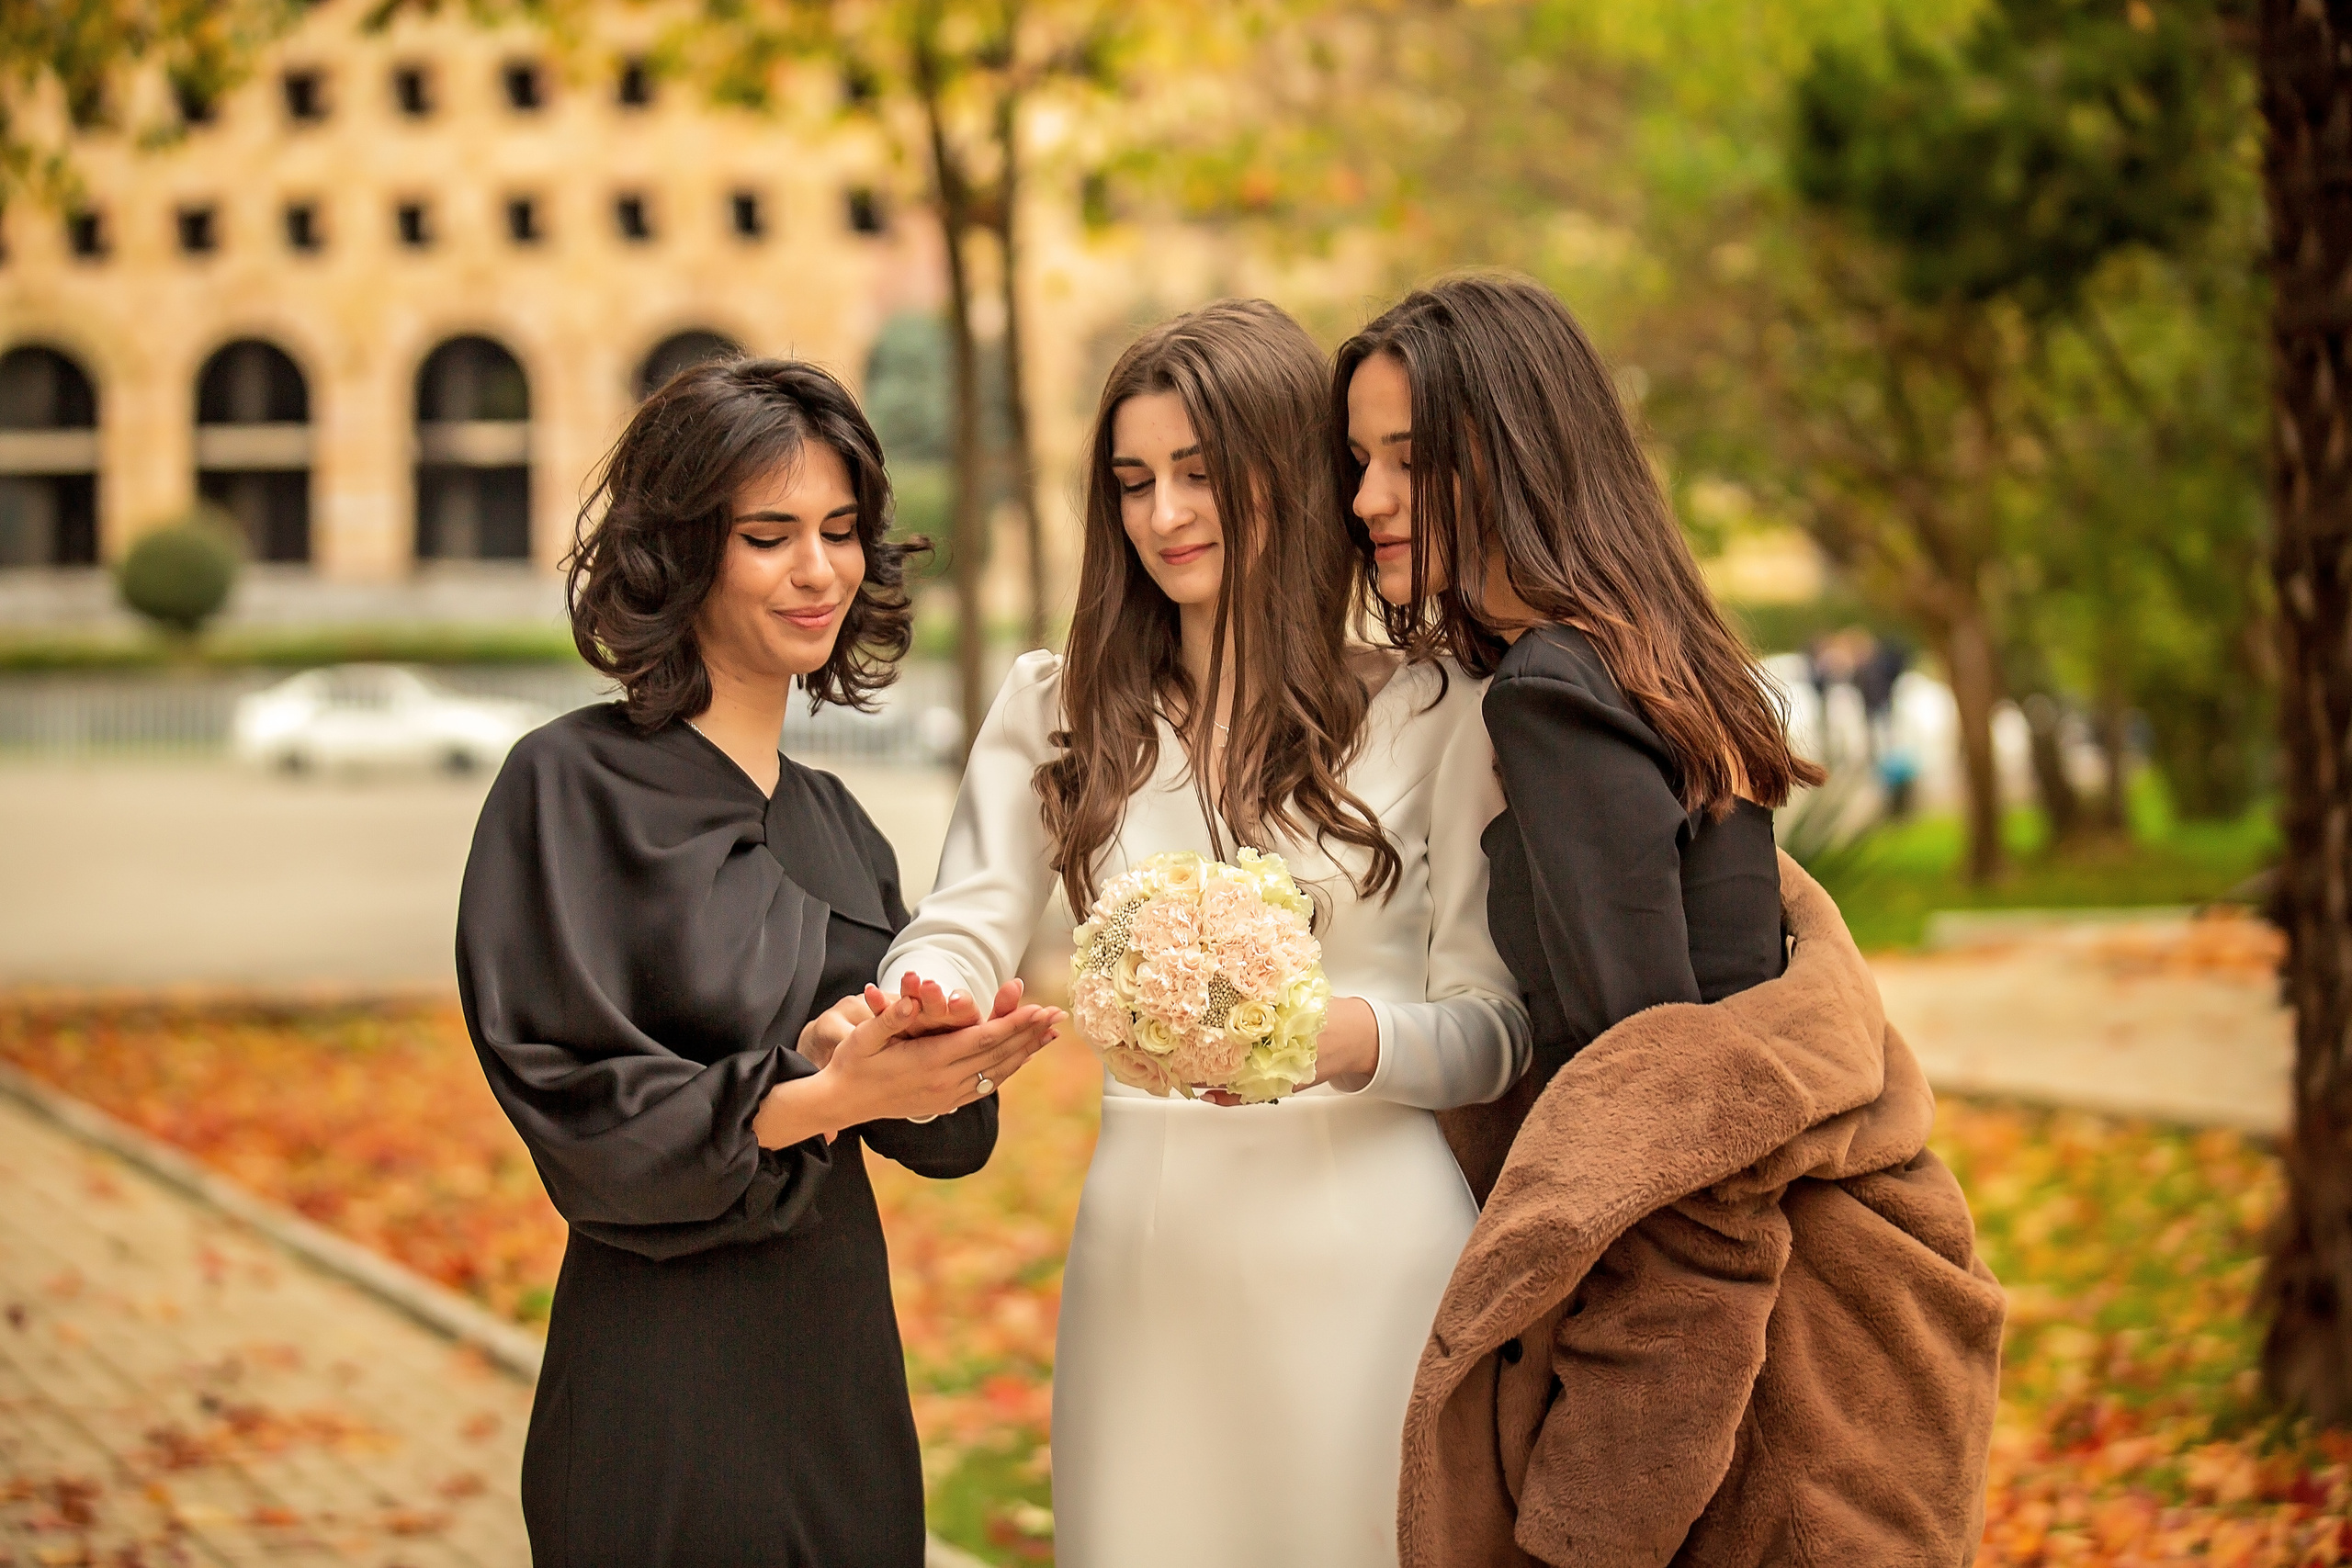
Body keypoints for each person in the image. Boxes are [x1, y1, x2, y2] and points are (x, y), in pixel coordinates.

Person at [1338, 272, 2001, 1565]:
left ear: (1517, 456)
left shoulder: (1552, 693)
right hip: (1847, 1348)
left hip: (1756, 1406)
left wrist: (1580, 1529)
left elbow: (1669, 1154)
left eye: (1408, 461)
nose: (1365, 501)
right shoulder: (1653, 655)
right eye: (1358, 461)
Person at [877, 299, 1531, 1568]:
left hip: (1372, 1247)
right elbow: (966, 921)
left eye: (1199, 475)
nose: (1162, 516)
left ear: (1287, 475)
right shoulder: (1055, 710)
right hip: (1150, 1247)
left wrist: (1341, 1042)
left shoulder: (1440, 712)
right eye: (1132, 482)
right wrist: (925, 989)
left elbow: (1497, 1029)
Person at [456, 357, 1061, 1568]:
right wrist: (820, 1095)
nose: (819, 570)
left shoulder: (840, 820)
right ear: (682, 552)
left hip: (833, 1369)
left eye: (841, 533)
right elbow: (583, 1120)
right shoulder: (566, 787)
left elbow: (939, 1138)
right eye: (769, 536)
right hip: (659, 1383)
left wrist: (937, 1051)